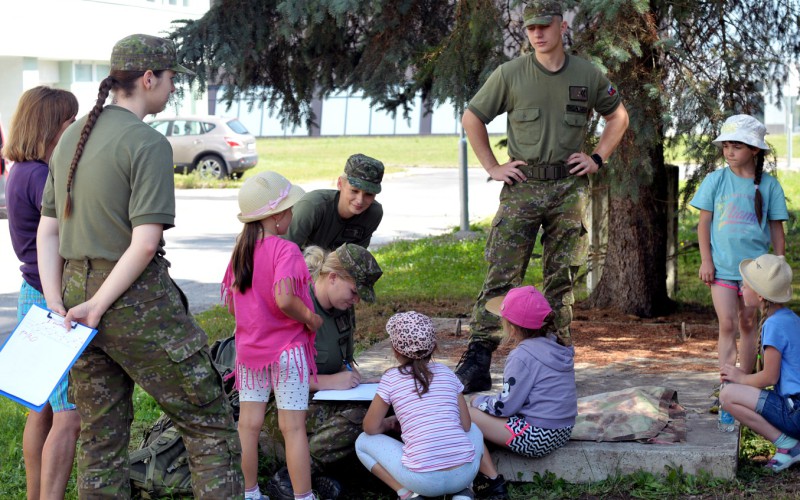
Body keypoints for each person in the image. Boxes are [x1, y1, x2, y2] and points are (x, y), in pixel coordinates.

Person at [37, 34, 243, 497]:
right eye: (171, 80)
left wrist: (58, 301)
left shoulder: (73, 133)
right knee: (208, 424)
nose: (173, 89)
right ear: (148, 78)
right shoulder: (148, 143)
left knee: (100, 438)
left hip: (72, 296)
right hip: (132, 301)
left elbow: (47, 229)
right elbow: (145, 243)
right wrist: (98, 305)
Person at [456, 0, 629, 393]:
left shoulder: (587, 74)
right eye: (530, 27)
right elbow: (472, 117)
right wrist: (493, 167)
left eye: (544, 26)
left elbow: (618, 116)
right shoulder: (511, 74)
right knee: (502, 272)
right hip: (523, 187)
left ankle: (554, 357)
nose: (536, 34)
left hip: (568, 188)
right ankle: (479, 357)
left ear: (561, 26)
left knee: (562, 277)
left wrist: (598, 156)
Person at [221, 170, 323, 500]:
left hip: (249, 352)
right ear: (277, 217)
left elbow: (233, 305)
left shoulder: (240, 251)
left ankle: (250, 494)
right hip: (288, 350)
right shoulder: (286, 249)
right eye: (290, 210)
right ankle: (303, 497)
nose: (292, 216)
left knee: (247, 426)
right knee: (292, 427)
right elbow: (285, 298)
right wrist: (310, 318)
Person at [260, 243, 383, 500]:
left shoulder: (342, 308)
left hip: (316, 402)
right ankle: (289, 477)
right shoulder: (294, 306)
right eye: (354, 291)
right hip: (281, 411)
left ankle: (319, 474)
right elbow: (270, 379)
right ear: (333, 277)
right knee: (359, 419)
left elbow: (340, 359)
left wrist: (359, 381)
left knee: (383, 409)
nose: (356, 300)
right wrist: (329, 381)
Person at [3, 86, 79, 500]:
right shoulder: (40, 177)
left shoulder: (20, 170)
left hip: (32, 292)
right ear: (51, 126)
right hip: (51, 299)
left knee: (42, 409)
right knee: (69, 415)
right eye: (69, 123)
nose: (74, 130)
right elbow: (68, 228)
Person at [691, 114, 787, 382]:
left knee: (747, 324)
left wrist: (778, 264)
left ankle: (744, 382)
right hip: (721, 269)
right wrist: (705, 261)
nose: (729, 152)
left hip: (755, 274)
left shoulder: (769, 185)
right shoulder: (715, 180)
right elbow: (703, 224)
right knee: (727, 324)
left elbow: (777, 229)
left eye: (737, 146)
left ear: (754, 149)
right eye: (725, 146)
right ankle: (725, 386)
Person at [356, 311, 483, 500]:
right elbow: (465, 425)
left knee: (362, 442)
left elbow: (370, 427)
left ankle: (408, 494)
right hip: (463, 474)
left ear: (395, 349)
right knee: (474, 429)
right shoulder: (447, 373)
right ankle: (463, 493)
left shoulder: (391, 378)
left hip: (422, 480)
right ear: (433, 346)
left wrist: (390, 423)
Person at [468, 285, 576, 499]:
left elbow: (505, 406)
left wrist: (477, 401)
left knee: (466, 413)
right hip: (563, 430)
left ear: (512, 328)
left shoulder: (521, 355)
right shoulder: (555, 345)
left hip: (537, 436)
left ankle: (491, 482)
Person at [720, 254, 800, 471]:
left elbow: (769, 377)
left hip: (796, 412)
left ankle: (788, 446)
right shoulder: (792, 318)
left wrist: (740, 378)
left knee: (727, 396)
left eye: (745, 286)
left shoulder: (773, 325)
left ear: (761, 295)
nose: (742, 290)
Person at [284, 153, 384, 251]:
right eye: (354, 191)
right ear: (340, 184)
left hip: (336, 266)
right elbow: (283, 253)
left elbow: (357, 259)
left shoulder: (373, 213)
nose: (360, 200)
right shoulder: (312, 207)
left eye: (369, 194)